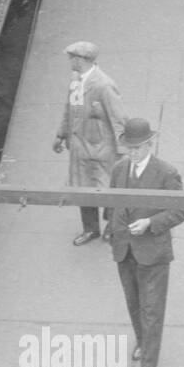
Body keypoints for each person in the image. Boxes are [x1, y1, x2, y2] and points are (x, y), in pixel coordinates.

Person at [107, 118, 184, 367]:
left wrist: (150, 224)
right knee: (133, 303)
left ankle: (149, 365)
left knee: (152, 309)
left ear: (150, 144)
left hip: (153, 253)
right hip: (124, 250)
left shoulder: (166, 173)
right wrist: (112, 229)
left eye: (137, 148)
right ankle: (142, 341)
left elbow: (180, 210)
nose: (132, 153)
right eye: (128, 148)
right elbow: (113, 203)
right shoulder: (119, 169)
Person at [53, 41, 127, 245]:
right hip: (79, 147)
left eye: (72, 57)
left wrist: (122, 150)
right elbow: (70, 109)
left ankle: (112, 226)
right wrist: (61, 134)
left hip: (102, 148)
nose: (70, 61)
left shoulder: (104, 85)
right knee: (82, 188)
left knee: (108, 189)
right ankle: (91, 229)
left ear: (81, 59)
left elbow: (118, 118)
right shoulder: (76, 80)